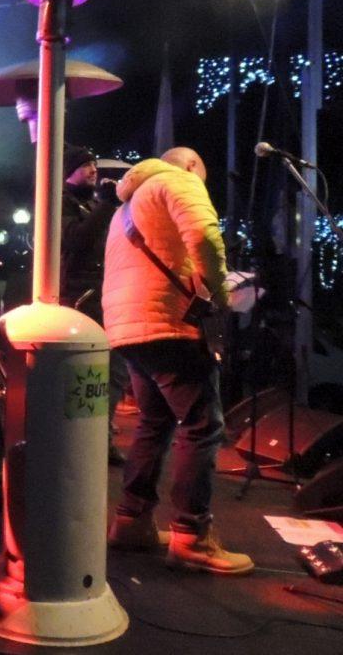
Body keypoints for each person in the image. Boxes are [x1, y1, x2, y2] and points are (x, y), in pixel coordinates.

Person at [103, 147, 253, 574]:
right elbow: (204, 238)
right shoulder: (180, 180)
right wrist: (220, 296)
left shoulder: (126, 207)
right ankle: (192, 535)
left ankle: (131, 521)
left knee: (155, 422)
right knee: (203, 425)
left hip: (128, 326)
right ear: (190, 165)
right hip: (168, 323)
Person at [60, 143, 129, 466]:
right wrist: (105, 206)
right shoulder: (62, 202)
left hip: (108, 292)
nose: (93, 170)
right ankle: (83, 438)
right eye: (85, 165)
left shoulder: (97, 203)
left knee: (116, 370)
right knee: (88, 370)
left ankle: (101, 434)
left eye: (93, 164)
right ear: (69, 171)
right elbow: (75, 239)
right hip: (82, 296)